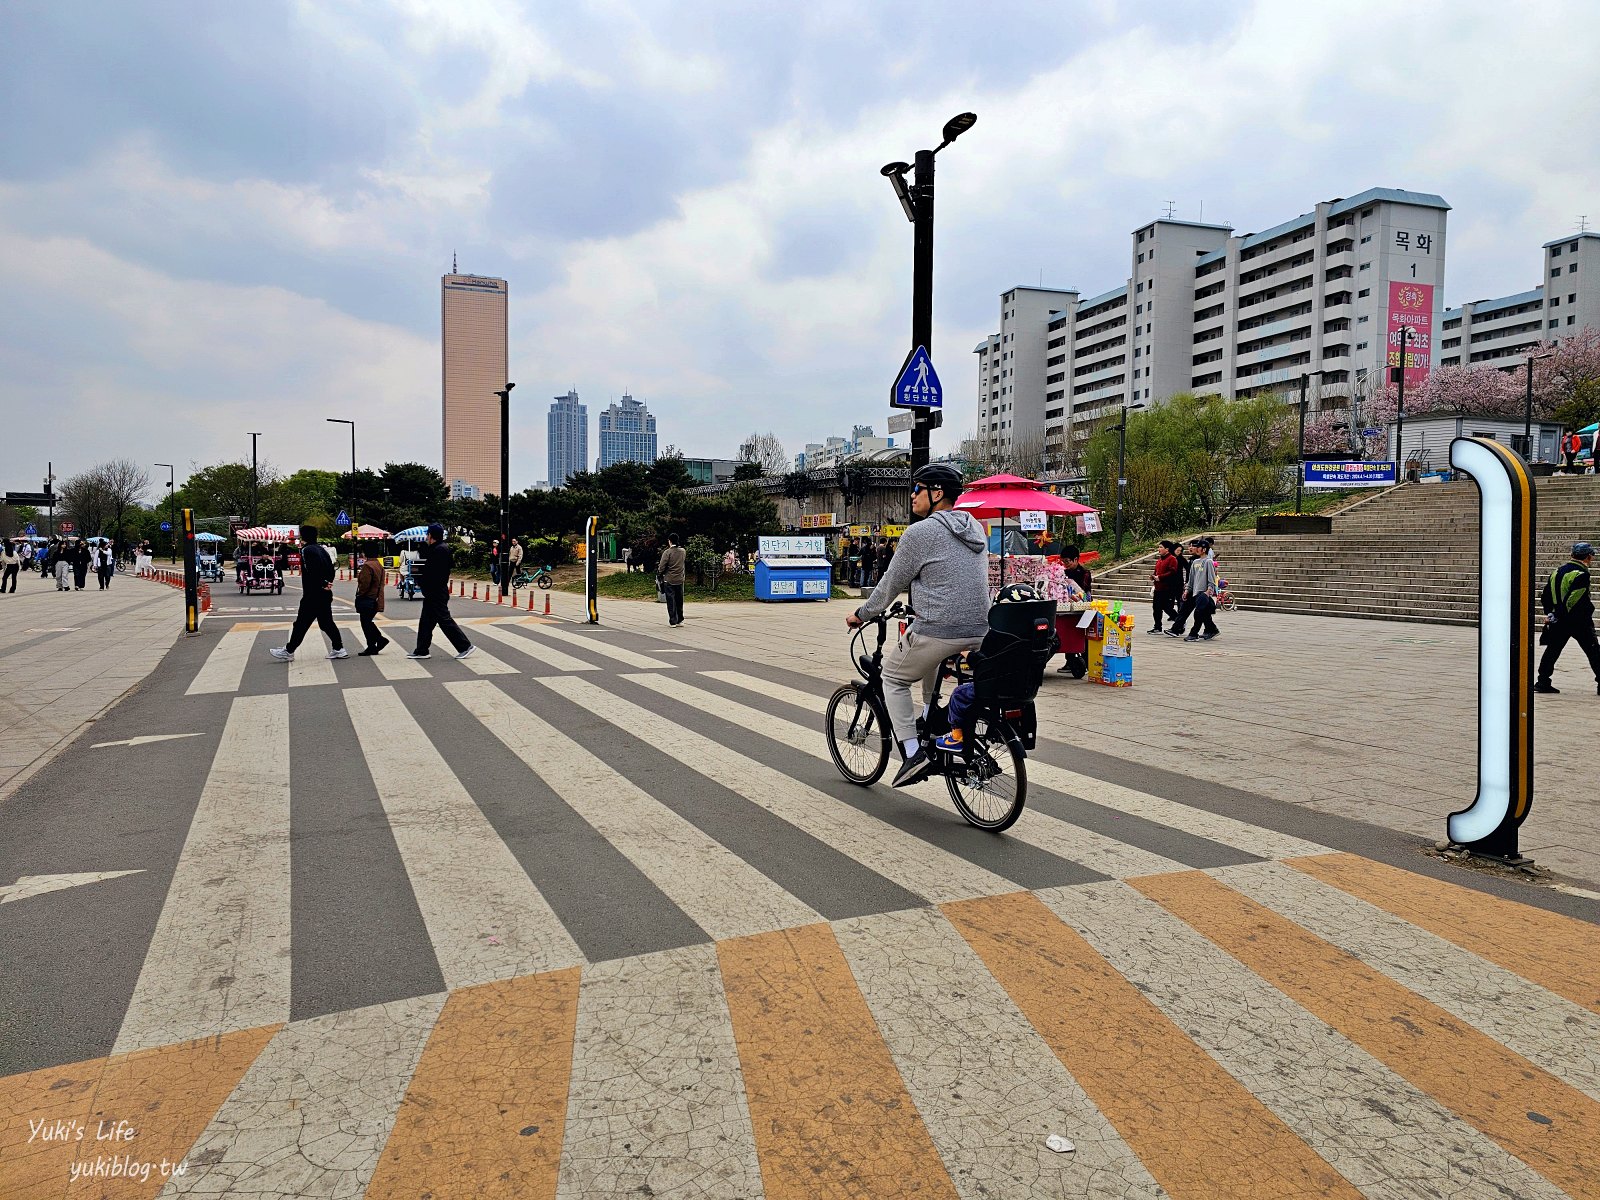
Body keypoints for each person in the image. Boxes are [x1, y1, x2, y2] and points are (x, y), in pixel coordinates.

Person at [847, 462, 989, 787]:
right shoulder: (975, 528)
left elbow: (890, 584)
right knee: (929, 656)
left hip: (941, 628)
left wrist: (863, 613)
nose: (912, 495)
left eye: (917, 489)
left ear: (937, 493)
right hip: (980, 631)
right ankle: (929, 715)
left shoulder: (920, 532)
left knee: (893, 678)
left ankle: (913, 753)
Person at [269, 525, 346, 662]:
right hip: (324, 593)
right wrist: (328, 583)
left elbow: (312, 570)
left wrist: (322, 583)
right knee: (326, 623)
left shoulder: (306, 550)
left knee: (301, 624)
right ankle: (339, 648)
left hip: (313, 594)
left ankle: (289, 651)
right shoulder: (322, 550)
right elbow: (331, 568)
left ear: (303, 536)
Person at [1535, 541, 1600, 695]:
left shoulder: (1557, 571)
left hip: (1559, 621)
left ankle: (1542, 681)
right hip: (1579, 621)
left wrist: (1551, 614)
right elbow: (1573, 601)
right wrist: (1559, 614)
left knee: (1552, 651)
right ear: (1589, 557)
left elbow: (1545, 595)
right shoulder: (1581, 574)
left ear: (1572, 555)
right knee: (1594, 652)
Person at [409, 524, 475, 660]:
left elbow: (433, 573)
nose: (426, 537)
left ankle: (465, 646)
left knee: (445, 621)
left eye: (428, 534)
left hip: (436, 591)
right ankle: (421, 650)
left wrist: (418, 575)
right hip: (433, 592)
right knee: (426, 622)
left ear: (431, 536)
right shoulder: (437, 548)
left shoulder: (440, 550)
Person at [355, 551, 389, 656]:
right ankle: (374, 644)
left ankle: (376, 642)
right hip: (377, 598)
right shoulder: (379, 564)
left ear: (365, 553)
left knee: (365, 623)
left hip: (367, 598)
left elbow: (365, 584)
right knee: (368, 622)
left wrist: (360, 594)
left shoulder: (367, 566)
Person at [1150, 540, 1184, 634]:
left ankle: (1180, 622)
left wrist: (1160, 577)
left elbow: (1172, 572)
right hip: (1158, 588)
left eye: (1161, 547)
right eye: (1159, 547)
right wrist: (1153, 576)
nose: (1159, 549)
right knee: (1156, 608)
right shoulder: (1160, 559)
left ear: (1167, 549)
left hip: (1167, 588)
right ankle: (1157, 627)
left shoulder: (1172, 559)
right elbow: (1156, 571)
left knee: (1167, 608)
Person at [658, 532, 687, 626]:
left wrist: (660, 573)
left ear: (669, 541)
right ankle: (680, 619)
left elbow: (662, 566)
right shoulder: (683, 551)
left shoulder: (667, 552)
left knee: (671, 600)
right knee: (679, 600)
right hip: (680, 579)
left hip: (669, 579)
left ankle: (673, 620)